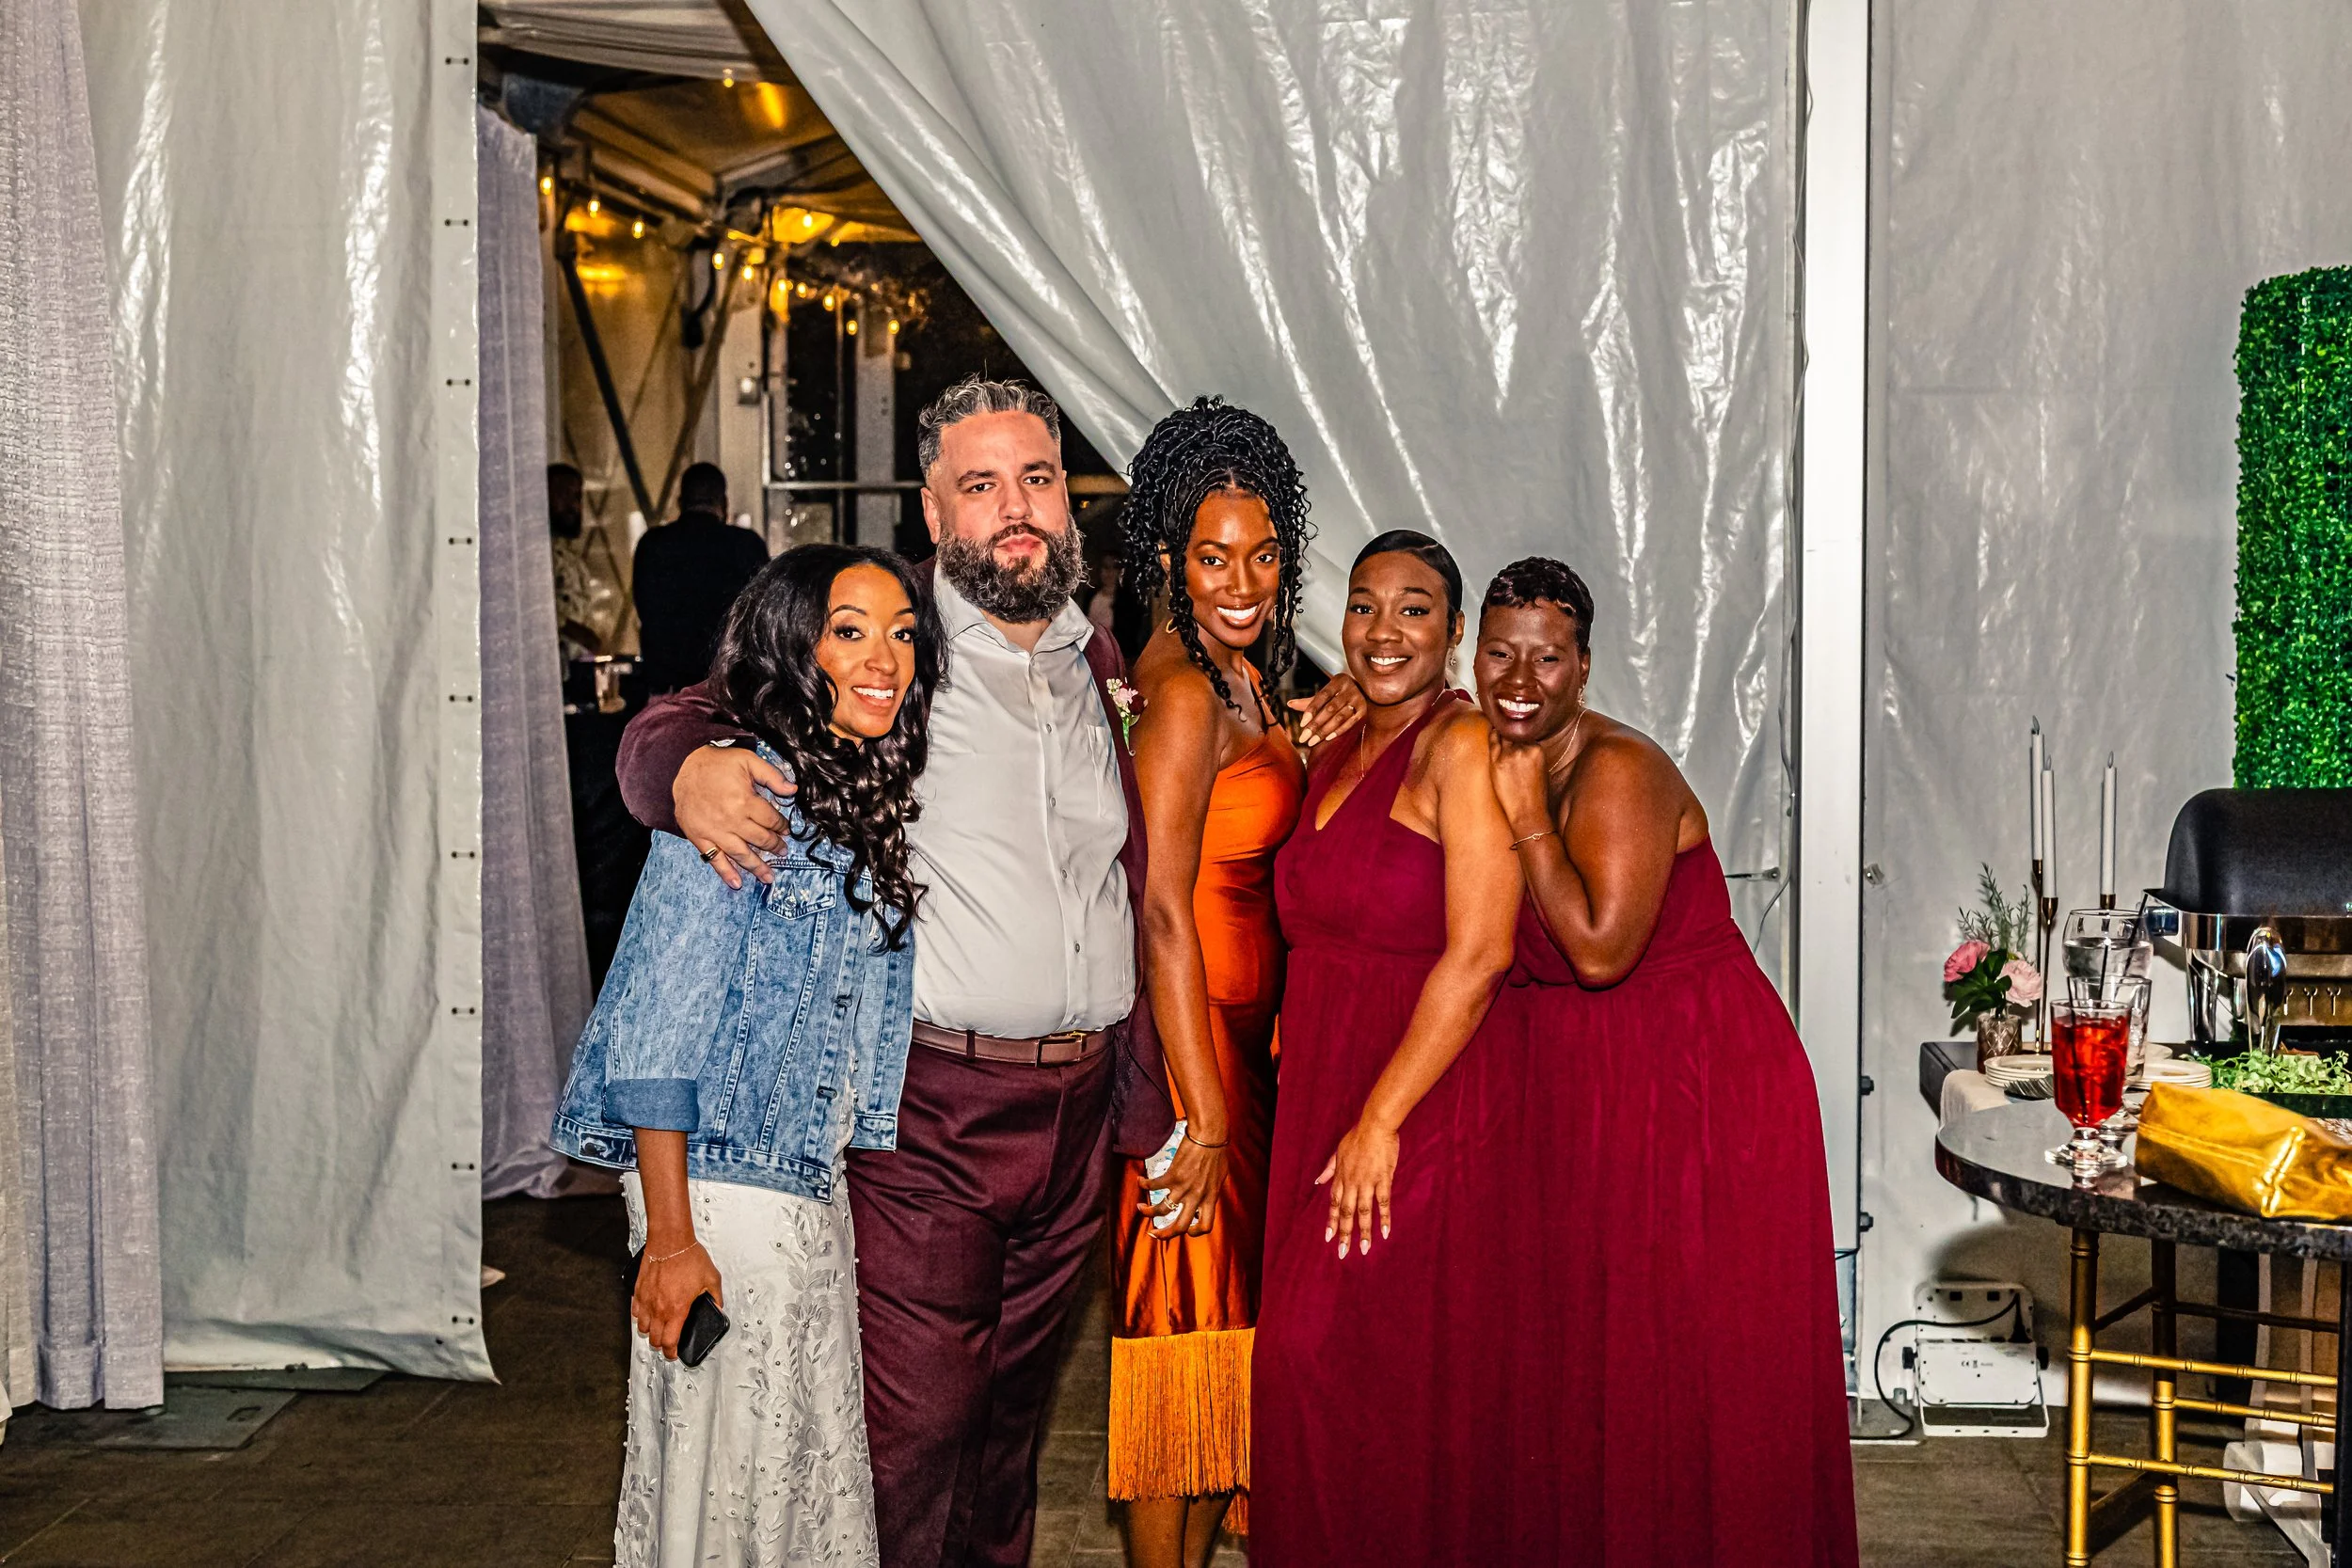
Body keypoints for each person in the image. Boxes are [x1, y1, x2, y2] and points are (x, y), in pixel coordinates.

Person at [612, 378, 1364, 1568]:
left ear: (1068, 498)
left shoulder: (1099, 656)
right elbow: (687, 714)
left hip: (1075, 1118)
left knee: (1009, 1438)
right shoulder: (886, 646)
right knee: (918, 1441)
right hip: (932, 1117)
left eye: (1036, 479)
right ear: (933, 509)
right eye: (981, 484)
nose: (1014, 509)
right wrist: (691, 761)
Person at [550, 542, 942, 1567]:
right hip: (722, 1193)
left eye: (902, 633)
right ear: (788, 646)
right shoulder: (737, 795)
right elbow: (655, 1028)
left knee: (785, 1477)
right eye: (848, 630)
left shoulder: (844, 793)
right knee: (733, 1482)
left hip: (799, 1187)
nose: (884, 657)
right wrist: (672, 1239)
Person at [1476, 556, 1858, 1566]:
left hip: (1699, 1087)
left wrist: (1520, 813)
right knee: (1603, 1366)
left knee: (1694, 1363)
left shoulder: (1616, 770)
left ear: (1585, 667)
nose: (1520, 676)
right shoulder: (1487, 748)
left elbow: (1600, 949)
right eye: (1500, 650)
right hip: (1599, 1086)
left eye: (1547, 657)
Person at [1250, 531, 1523, 1566]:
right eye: (1363, 605)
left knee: (1318, 1361)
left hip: (1416, 1101)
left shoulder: (1459, 745)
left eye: (1414, 608)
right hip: (1319, 1079)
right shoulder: (1336, 740)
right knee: (1354, 1379)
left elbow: (1484, 948)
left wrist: (1379, 1119)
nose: (1382, 629)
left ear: (1453, 633)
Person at [1109, 400, 1311, 1564]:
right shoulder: (1183, 689)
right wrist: (1202, 1101)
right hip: (1197, 1065)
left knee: (1219, 1345)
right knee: (1177, 1351)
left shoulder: (1237, 677)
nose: (1241, 581)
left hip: (1239, 1055)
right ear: (1166, 560)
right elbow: (1162, 905)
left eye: (1264, 554)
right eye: (1211, 557)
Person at [632, 461, 769, 693]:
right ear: (723, 503)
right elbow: (764, 613)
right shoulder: (747, 545)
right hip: (731, 681)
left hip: (669, 683)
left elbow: (646, 608)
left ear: (680, 503)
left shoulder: (653, 545)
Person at [548, 461, 603, 657]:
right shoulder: (537, 557)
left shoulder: (575, 561)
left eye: (577, 496)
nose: (572, 505)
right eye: (563, 495)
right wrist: (572, 629)